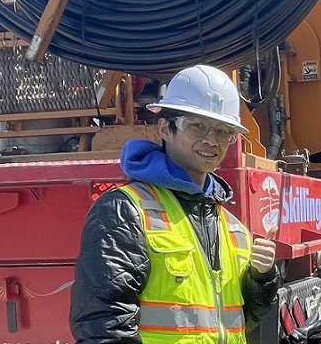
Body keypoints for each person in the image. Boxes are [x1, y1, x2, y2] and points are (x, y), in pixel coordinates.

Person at [70, 65, 280, 344]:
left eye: (223, 131)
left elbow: (240, 320)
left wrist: (261, 278)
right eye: (197, 126)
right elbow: (102, 326)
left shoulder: (232, 227)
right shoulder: (125, 210)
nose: (211, 140)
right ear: (165, 128)